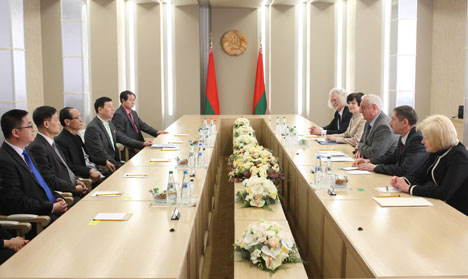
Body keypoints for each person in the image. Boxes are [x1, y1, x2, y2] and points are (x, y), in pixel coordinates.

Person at [391, 115, 468, 216]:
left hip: (458, 212)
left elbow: (443, 192)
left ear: (438, 139)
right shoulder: (438, 148)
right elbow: (421, 175)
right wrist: (403, 180)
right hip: (440, 206)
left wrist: (410, 189)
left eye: (426, 139)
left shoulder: (459, 156)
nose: (422, 142)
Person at [0, 109, 67, 221]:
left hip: (48, 209)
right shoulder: (4, 160)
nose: (33, 130)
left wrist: (57, 197)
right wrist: (51, 207)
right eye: (29, 126)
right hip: (36, 220)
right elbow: (16, 201)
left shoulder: (26, 153)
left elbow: (41, 184)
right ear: (16, 133)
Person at [28, 106, 88, 200]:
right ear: (46, 124)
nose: (59, 123)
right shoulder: (37, 147)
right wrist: (74, 188)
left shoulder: (53, 142)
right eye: (56, 120)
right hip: (63, 196)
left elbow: (66, 167)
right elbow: (49, 179)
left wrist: (76, 181)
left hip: (72, 189)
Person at [354, 105, 428, 176]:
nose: (390, 123)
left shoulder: (417, 139)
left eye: (393, 119)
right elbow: (392, 158)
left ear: (404, 123)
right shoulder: (404, 135)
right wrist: (370, 161)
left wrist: (374, 167)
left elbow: (404, 170)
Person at [84, 97, 143, 172]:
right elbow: (100, 152)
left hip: (115, 162)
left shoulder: (109, 123)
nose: (113, 109)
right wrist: (120, 166)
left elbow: (122, 138)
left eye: (113, 106)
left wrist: (142, 144)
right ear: (100, 109)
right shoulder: (93, 128)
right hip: (106, 166)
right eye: (109, 106)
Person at [112, 91, 167, 159]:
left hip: (140, 145)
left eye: (134, 100)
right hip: (130, 149)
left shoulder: (133, 113)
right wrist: (137, 145)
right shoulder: (118, 114)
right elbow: (121, 136)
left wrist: (157, 132)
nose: (133, 102)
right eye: (131, 100)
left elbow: (142, 125)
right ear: (123, 100)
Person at [55, 107, 104, 185]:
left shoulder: (76, 136)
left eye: (80, 116)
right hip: (83, 177)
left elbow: (89, 157)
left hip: (94, 170)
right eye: (77, 118)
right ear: (67, 122)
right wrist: (89, 171)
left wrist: (105, 161)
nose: (81, 120)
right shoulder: (60, 141)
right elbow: (69, 166)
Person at [355, 94, 398, 160]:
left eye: (363, 108)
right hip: (368, 162)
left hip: (382, 165)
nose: (360, 111)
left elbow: (374, 154)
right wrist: (359, 150)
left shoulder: (383, 126)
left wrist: (359, 146)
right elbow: (362, 142)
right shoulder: (368, 121)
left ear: (374, 108)